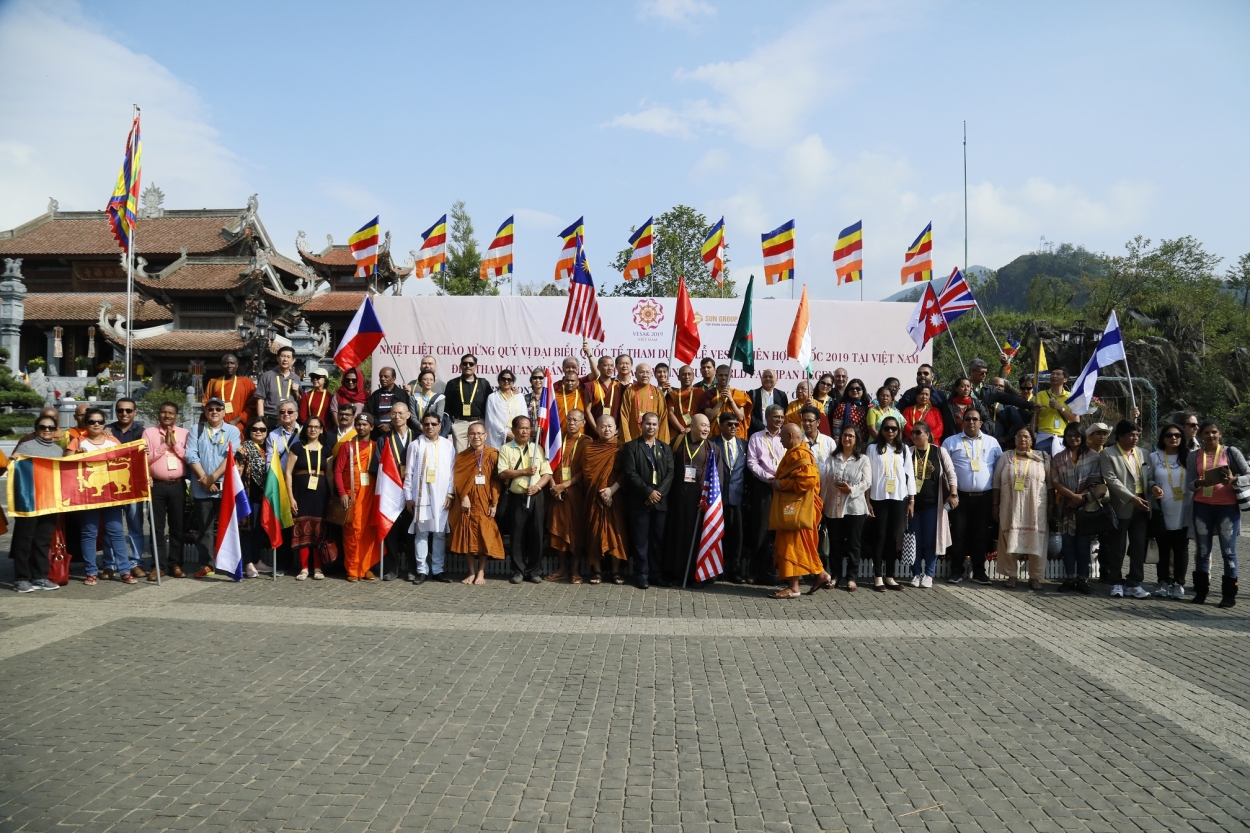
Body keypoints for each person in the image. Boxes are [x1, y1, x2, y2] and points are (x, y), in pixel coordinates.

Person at [769, 423, 835, 599]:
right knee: (798, 545)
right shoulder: (796, 452)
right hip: (795, 507)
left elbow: (808, 480)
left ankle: (794, 587)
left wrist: (781, 484)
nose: (780, 441)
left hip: (798, 509)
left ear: (791, 436)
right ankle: (821, 574)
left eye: (782, 437)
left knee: (792, 546)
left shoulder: (799, 453)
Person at [1186, 420, 1247, 607]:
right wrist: (1198, 484)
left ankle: (1229, 595)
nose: (1210, 436)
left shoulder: (1230, 452)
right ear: (1201, 436)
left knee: (1228, 552)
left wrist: (1234, 478)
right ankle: (1201, 592)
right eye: (1206, 433)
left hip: (1227, 508)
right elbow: (1188, 483)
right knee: (1203, 551)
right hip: (1202, 506)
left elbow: (1248, 474)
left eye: (1214, 432)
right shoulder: (1194, 456)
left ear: (1220, 434)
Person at [941, 409, 1002, 585]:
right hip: (959, 497)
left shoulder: (992, 442)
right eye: (967, 419)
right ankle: (956, 571)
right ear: (962, 422)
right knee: (958, 533)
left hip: (984, 498)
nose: (971, 422)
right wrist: (950, 494)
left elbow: (998, 470)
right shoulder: (951, 442)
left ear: (981, 423)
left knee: (981, 535)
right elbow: (944, 472)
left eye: (975, 419)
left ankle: (979, 571)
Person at [186, 398, 242, 579]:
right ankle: (207, 564)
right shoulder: (196, 429)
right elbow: (191, 454)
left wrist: (213, 478)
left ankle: (229, 563)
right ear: (206, 411)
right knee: (205, 528)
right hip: (201, 486)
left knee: (229, 527)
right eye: (211, 409)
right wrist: (205, 479)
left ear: (224, 412)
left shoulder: (233, 431)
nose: (215, 412)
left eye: (218, 408)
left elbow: (231, 456)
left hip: (225, 487)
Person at [1100, 419, 1155, 599]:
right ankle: (1116, 582)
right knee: (1118, 546)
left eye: (1137, 434)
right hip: (1122, 505)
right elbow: (1112, 480)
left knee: (1139, 546)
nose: (1135, 438)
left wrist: (1154, 488)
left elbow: (1150, 477)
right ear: (1120, 436)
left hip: (1142, 506)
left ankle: (1134, 583)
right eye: (1131, 435)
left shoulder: (1144, 454)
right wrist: (1132, 499)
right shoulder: (1108, 454)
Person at [10, 416, 64, 593]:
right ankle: (21, 578)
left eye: (51, 427)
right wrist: (14, 460)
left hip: (49, 500)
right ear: (36, 428)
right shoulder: (26, 447)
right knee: (23, 539)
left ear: (55, 429)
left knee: (43, 540)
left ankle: (40, 577)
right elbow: (14, 468)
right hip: (28, 500)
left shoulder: (58, 451)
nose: (47, 430)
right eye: (43, 427)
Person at [622, 412, 674, 589]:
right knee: (640, 541)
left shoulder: (665, 448)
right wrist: (647, 493)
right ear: (641, 425)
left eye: (654, 424)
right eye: (648, 424)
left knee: (657, 541)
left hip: (660, 502)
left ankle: (656, 575)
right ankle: (641, 576)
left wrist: (657, 493)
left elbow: (670, 474)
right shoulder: (631, 447)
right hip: (640, 502)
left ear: (658, 426)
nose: (651, 427)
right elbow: (630, 473)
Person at [498, 415, 553, 583]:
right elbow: (502, 473)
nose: (524, 431)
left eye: (528, 428)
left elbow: (547, 473)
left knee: (536, 533)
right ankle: (518, 570)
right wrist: (524, 472)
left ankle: (534, 570)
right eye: (521, 428)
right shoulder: (506, 449)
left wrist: (537, 486)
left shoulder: (537, 448)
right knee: (517, 535)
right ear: (514, 430)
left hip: (536, 496)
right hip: (516, 497)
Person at [993, 428, 1050, 590]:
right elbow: (996, 482)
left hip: (1035, 507)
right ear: (1015, 439)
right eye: (1019, 436)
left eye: (1026, 436)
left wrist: (1052, 506)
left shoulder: (1042, 457)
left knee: (1037, 540)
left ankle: (1035, 577)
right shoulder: (1006, 457)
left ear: (1032, 440)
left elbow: (1051, 484)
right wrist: (995, 505)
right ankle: (1011, 575)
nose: (1023, 439)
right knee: (1009, 538)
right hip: (1010, 506)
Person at [449, 422, 505, 584]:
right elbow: (457, 479)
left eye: (479, 433)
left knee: (484, 536)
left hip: (484, 502)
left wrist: (494, 503)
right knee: (467, 537)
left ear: (485, 436)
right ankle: (471, 572)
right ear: (468, 436)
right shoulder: (461, 457)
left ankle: (481, 573)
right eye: (472, 434)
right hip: (467, 504)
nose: (476, 437)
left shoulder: (493, 454)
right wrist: (463, 496)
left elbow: (496, 481)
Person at [577, 414, 631, 584]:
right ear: (597, 428)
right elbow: (589, 475)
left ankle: (616, 572)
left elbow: (625, 473)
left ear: (616, 429)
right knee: (595, 533)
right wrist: (602, 493)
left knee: (616, 532)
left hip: (616, 497)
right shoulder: (589, 449)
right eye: (603, 426)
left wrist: (612, 491)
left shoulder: (622, 447)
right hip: (595, 497)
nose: (606, 430)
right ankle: (597, 572)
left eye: (610, 426)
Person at [404, 411, 456, 584]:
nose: (430, 427)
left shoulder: (448, 445)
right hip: (422, 496)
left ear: (440, 426)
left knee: (440, 534)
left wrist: (450, 493)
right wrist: (408, 496)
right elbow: (409, 472)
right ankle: (421, 570)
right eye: (426, 424)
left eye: (434, 424)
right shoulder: (415, 445)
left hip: (442, 495)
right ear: (422, 426)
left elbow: (452, 472)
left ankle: (438, 570)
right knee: (422, 533)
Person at [1049, 423, 1101, 594]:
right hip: (1065, 506)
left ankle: (1083, 579)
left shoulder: (1092, 456)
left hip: (1086, 506)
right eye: (1069, 435)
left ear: (1083, 436)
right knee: (1068, 544)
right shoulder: (1058, 457)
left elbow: (1095, 481)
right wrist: (1072, 497)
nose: (1073, 438)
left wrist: (1080, 498)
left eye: (1077, 435)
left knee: (1083, 544)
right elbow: (1055, 481)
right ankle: (1070, 577)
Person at [865, 416, 914, 591]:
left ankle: (890, 576)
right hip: (878, 498)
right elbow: (868, 476)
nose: (890, 432)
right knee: (879, 537)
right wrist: (867, 501)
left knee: (893, 538)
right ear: (881, 430)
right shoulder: (872, 448)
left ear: (899, 430)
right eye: (886, 428)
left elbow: (910, 475)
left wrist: (912, 500)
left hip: (898, 497)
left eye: (894, 428)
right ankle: (878, 577)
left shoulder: (904, 449)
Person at [283, 415, 335, 581]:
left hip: (321, 496)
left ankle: (318, 567)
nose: (313, 429)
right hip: (300, 494)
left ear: (321, 430)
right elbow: (288, 473)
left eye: (316, 427)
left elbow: (329, 476)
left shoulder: (326, 450)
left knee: (319, 530)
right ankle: (304, 568)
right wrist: (290, 497)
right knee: (302, 529)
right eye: (310, 426)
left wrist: (333, 497)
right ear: (305, 429)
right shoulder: (297, 447)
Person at [907, 422, 958, 588]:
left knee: (931, 541)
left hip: (933, 506)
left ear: (928, 434)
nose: (914, 435)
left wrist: (953, 494)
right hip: (912, 505)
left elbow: (951, 473)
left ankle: (928, 574)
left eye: (918, 432)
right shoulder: (909, 452)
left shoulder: (939, 451)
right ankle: (915, 574)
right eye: (912, 432)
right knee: (913, 540)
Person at [143, 402, 189, 580]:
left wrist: (175, 445)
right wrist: (163, 446)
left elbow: (189, 457)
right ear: (158, 414)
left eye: (171, 413)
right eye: (163, 412)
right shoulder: (149, 433)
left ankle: (175, 564)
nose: (167, 415)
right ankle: (158, 566)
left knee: (178, 527)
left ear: (176, 416)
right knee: (157, 527)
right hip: (156, 485)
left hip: (177, 485)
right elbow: (144, 459)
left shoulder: (184, 433)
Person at [824, 425, 871, 590]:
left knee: (853, 544)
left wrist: (850, 489)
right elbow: (825, 483)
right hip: (833, 506)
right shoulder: (832, 458)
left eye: (851, 436)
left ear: (856, 439)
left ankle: (851, 577)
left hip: (854, 507)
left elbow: (867, 482)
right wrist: (821, 503)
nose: (847, 438)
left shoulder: (863, 459)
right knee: (835, 543)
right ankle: (835, 575)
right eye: (845, 435)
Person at [667, 414, 712, 584]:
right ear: (692, 426)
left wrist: (708, 500)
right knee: (677, 535)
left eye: (708, 426)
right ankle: (676, 573)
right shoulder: (677, 442)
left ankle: (696, 575)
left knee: (697, 536)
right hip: (678, 498)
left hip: (699, 501)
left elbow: (717, 478)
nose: (706, 429)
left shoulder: (711, 447)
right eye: (702, 425)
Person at [334, 412, 379, 581]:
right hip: (352, 495)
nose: (361, 427)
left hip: (370, 495)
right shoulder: (348, 446)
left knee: (369, 532)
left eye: (365, 425)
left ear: (372, 427)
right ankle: (353, 569)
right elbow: (338, 470)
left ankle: (366, 567)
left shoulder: (376, 446)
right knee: (353, 532)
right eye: (358, 424)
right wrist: (342, 493)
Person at [545, 409, 588, 583]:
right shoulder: (557, 439)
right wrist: (554, 486)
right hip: (556, 491)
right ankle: (562, 568)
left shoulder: (586, 442)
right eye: (569, 419)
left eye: (575, 420)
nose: (571, 423)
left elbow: (584, 471)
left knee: (575, 531)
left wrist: (565, 485)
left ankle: (575, 570)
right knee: (558, 530)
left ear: (582, 423)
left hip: (575, 491)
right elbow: (547, 464)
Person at [1149, 423, 1190, 599]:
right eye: (1169, 435)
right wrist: (1152, 487)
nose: (1173, 438)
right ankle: (1163, 582)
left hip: (1184, 509)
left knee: (1181, 548)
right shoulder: (1154, 456)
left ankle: (1179, 584)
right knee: (1163, 548)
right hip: (1162, 509)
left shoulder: (1189, 457)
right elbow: (1148, 478)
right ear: (1163, 438)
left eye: (1177, 435)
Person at [746, 405, 787, 584]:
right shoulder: (756, 437)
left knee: (783, 529)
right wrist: (768, 478)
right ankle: (755, 572)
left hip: (785, 488)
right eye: (776, 417)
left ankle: (782, 571)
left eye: (781, 417)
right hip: (764, 487)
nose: (779, 420)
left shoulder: (787, 436)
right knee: (760, 529)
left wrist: (783, 480)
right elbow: (752, 462)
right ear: (767, 417)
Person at [375, 402, 415, 581]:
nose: (396, 417)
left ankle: (414, 568)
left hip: (412, 490)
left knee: (412, 531)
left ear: (408, 415)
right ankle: (392, 567)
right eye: (393, 414)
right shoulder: (384, 439)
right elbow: (379, 465)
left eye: (400, 413)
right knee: (390, 529)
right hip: (391, 490)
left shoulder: (417, 437)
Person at [106, 397, 145, 579]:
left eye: (128, 411)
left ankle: (135, 561)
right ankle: (110, 562)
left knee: (135, 525)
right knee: (112, 526)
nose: (124, 414)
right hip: (111, 485)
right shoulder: (107, 431)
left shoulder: (143, 432)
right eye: (121, 410)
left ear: (135, 412)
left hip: (134, 485)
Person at [710, 412, 749, 583]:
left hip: (738, 498)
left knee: (737, 536)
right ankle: (716, 569)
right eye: (729, 424)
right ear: (720, 425)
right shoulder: (712, 443)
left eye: (736, 424)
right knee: (717, 534)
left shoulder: (744, 445)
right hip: (717, 498)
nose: (734, 427)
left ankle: (734, 570)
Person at [235, 418, 272, 579]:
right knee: (247, 530)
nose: (258, 432)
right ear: (249, 431)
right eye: (254, 429)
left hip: (263, 496)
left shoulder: (267, 449)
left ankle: (256, 560)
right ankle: (247, 562)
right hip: (247, 496)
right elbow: (237, 473)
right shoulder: (243, 449)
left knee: (258, 529)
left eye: (262, 430)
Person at [445, 354, 492, 450]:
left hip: (478, 422)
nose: (468, 366)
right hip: (459, 423)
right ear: (460, 366)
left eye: (471, 364)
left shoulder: (483, 383)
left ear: (476, 366)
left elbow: (492, 401)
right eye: (465, 363)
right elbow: (447, 405)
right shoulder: (452, 383)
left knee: (479, 452)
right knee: (461, 455)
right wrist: (452, 423)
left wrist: (512, 391)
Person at [203, 353, 256, 430]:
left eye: (232, 363)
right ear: (221, 366)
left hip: (239, 425)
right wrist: (214, 421)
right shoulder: (214, 382)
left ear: (237, 365)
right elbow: (205, 404)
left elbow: (252, 406)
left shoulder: (246, 383)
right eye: (225, 363)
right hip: (216, 425)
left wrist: (237, 420)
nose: (229, 366)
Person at [619, 363, 668, 443]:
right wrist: (627, 440)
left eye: (647, 372)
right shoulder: (629, 391)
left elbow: (663, 417)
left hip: (654, 438)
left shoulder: (657, 392)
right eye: (642, 372)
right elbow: (624, 416)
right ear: (635, 374)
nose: (645, 375)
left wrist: (662, 441)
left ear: (651, 375)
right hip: (634, 436)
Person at [1034, 367, 1077, 457]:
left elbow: (1076, 420)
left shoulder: (1071, 397)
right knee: (1041, 467)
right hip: (1043, 438)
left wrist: (1061, 408)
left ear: (1065, 379)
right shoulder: (1041, 395)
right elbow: (1034, 417)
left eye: (1058, 374)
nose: (1054, 376)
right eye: (1052, 374)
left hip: (1062, 438)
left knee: (1061, 469)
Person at [702, 364, 752, 441]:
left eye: (726, 375)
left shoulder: (737, 394)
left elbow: (740, 417)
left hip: (734, 432)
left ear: (731, 376)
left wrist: (731, 400)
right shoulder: (709, 394)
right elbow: (709, 416)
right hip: (716, 432)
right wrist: (721, 400)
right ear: (716, 376)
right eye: (721, 375)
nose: (724, 378)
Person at [255, 345, 300, 429]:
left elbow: (299, 400)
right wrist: (261, 419)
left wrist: (297, 392)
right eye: (282, 356)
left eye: (288, 357)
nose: (285, 359)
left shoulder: (296, 378)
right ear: (277, 358)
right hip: (270, 417)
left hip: (288, 418)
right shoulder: (267, 376)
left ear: (293, 360)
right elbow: (260, 400)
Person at [581, 347, 624, 433]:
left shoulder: (620, 386)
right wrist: (596, 429)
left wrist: (618, 430)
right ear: (598, 367)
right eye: (606, 365)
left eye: (612, 365)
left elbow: (624, 412)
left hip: (613, 432)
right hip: (594, 432)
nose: (610, 368)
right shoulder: (591, 386)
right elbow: (587, 410)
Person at [365, 366, 413, 439]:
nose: (382, 379)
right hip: (378, 433)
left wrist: (390, 425)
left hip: (397, 433)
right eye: (381, 377)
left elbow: (406, 413)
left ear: (394, 378)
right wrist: (380, 425)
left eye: (386, 377)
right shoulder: (375, 395)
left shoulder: (402, 394)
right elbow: (369, 412)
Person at [484, 369, 525, 449]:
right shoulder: (492, 397)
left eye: (509, 379)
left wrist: (516, 433)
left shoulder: (519, 397)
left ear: (513, 382)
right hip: (498, 437)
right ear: (499, 381)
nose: (506, 381)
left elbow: (523, 416)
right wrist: (506, 433)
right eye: (503, 379)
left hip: (516, 435)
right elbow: (491, 419)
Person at [985, 378, 1027, 448]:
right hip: (983, 440)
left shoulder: (1008, 405)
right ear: (989, 386)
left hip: (998, 444)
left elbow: (1019, 423)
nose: (999, 387)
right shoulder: (983, 400)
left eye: (1001, 386)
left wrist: (1006, 438)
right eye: (995, 385)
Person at [666, 365, 704, 440]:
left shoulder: (700, 392)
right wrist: (681, 429)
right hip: (677, 432)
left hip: (697, 431)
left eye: (689, 374)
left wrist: (691, 428)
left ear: (693, 376)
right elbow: (670, 413)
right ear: (678, 377)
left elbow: (704, 413)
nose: (687, 377)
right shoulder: (673, 394)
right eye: (684, 374)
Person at [554, 358, 589, 435]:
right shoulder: (556, 395)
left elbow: (595, 374)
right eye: (567, 381)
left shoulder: (583, 394)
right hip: (560, 435)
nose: (570, 383)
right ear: (563, 382)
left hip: (580, 435)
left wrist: (589, 354)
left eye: (572, 381)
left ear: (577, 383)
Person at [749, 370, 789, 435]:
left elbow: (784, 414)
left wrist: (775, 428)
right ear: (761, 379)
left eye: (770, 377)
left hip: (777, 434)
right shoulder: (753, 394)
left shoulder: (781, 395)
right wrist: (763, 428)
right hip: (757, 433)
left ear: (776, 380)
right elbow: (750, 415)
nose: (767, 379)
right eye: (765, 377)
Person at [267, 401, 300, 470]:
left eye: (290, 412)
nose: (286, 414)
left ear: (296, 415)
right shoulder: (273, 435)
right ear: (278, 416)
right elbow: (270, 459)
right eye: (282, 412)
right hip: (281, 476)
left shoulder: (304, 431)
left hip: (300, 475)